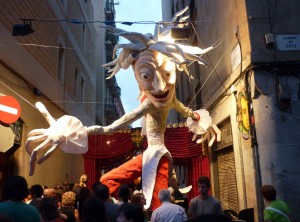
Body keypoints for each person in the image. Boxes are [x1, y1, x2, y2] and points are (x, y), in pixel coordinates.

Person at [25, 7, 220, 211]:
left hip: (158, 156)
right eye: (146, 76)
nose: (161, 87)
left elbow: (190, 114)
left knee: (152, 200)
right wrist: (73, 131)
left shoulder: (165, 102)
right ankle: (119, 206)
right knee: (110, 181)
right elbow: (111, 128)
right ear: (138, 76)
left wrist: (202, 120)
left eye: (168, 74)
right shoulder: (150, 104)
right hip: (152, 155)